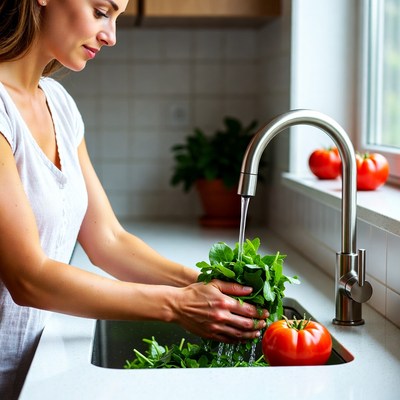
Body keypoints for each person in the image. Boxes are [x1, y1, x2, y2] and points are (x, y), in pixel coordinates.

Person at [0, 1, 268, 398]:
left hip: (32, 372)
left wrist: (203, 284)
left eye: (117, 17)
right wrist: (177, 306)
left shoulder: (59, 104)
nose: (111, 36)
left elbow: (107, 239)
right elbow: (29, 279)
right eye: (101, 11)